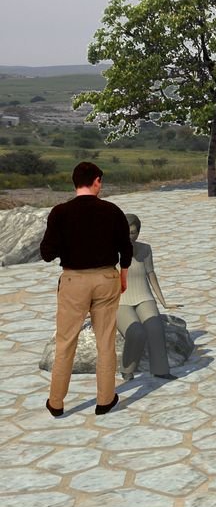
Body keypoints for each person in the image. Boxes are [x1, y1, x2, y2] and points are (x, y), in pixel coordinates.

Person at [39, 162, 132, 417]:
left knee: (65, 342)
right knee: (105, 342)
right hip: (106, 278)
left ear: (75, 182)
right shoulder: (112, 211)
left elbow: (46, 253)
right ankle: (105, 400)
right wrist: (123, 277)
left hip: (73, 282)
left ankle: (56, 403)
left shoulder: (60, 212)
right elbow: (126, 249)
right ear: (97, 181)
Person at [118, 214, 177, 381]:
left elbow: (151, 275)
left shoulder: (145, 249)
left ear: (138, 232)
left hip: (144, 297)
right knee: (136, 331)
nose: (130, 236)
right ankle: (127, 369)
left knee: (155, 327)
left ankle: (160, 370)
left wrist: (163, 302)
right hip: (120, 301)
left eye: (133, 232)